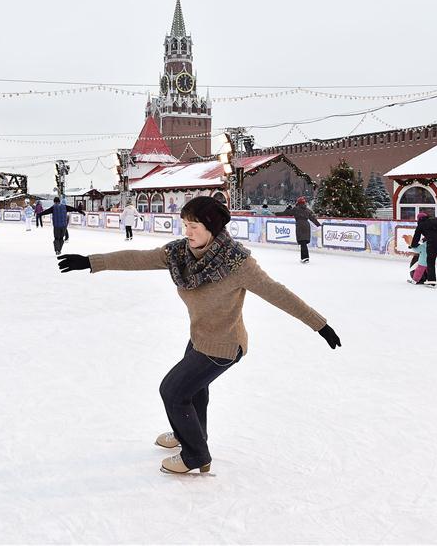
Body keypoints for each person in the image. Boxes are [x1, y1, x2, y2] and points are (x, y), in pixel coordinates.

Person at [55, 196, 341, 474]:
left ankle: (196, 455)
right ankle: (189, 435)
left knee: (173, 391)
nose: (187, 232)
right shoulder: (180, 254)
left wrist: (320, 325)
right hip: (200, 338)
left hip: (224, 346)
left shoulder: (237, 264)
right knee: (193, 391)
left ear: (212, 228)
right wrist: (93, 261)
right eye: (185, 224)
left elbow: (278, 293)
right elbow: (140, 258)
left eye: (194, 226)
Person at [292, 196, 320, 263]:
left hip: (300, 225)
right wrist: (318, 224)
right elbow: (312, 218)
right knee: (303, 242)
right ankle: (304, 257)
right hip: (306, 226)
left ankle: (305, 258)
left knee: (302, 242)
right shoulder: (307, 210)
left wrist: (277, 214)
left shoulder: (296, 209)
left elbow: (287, 213)